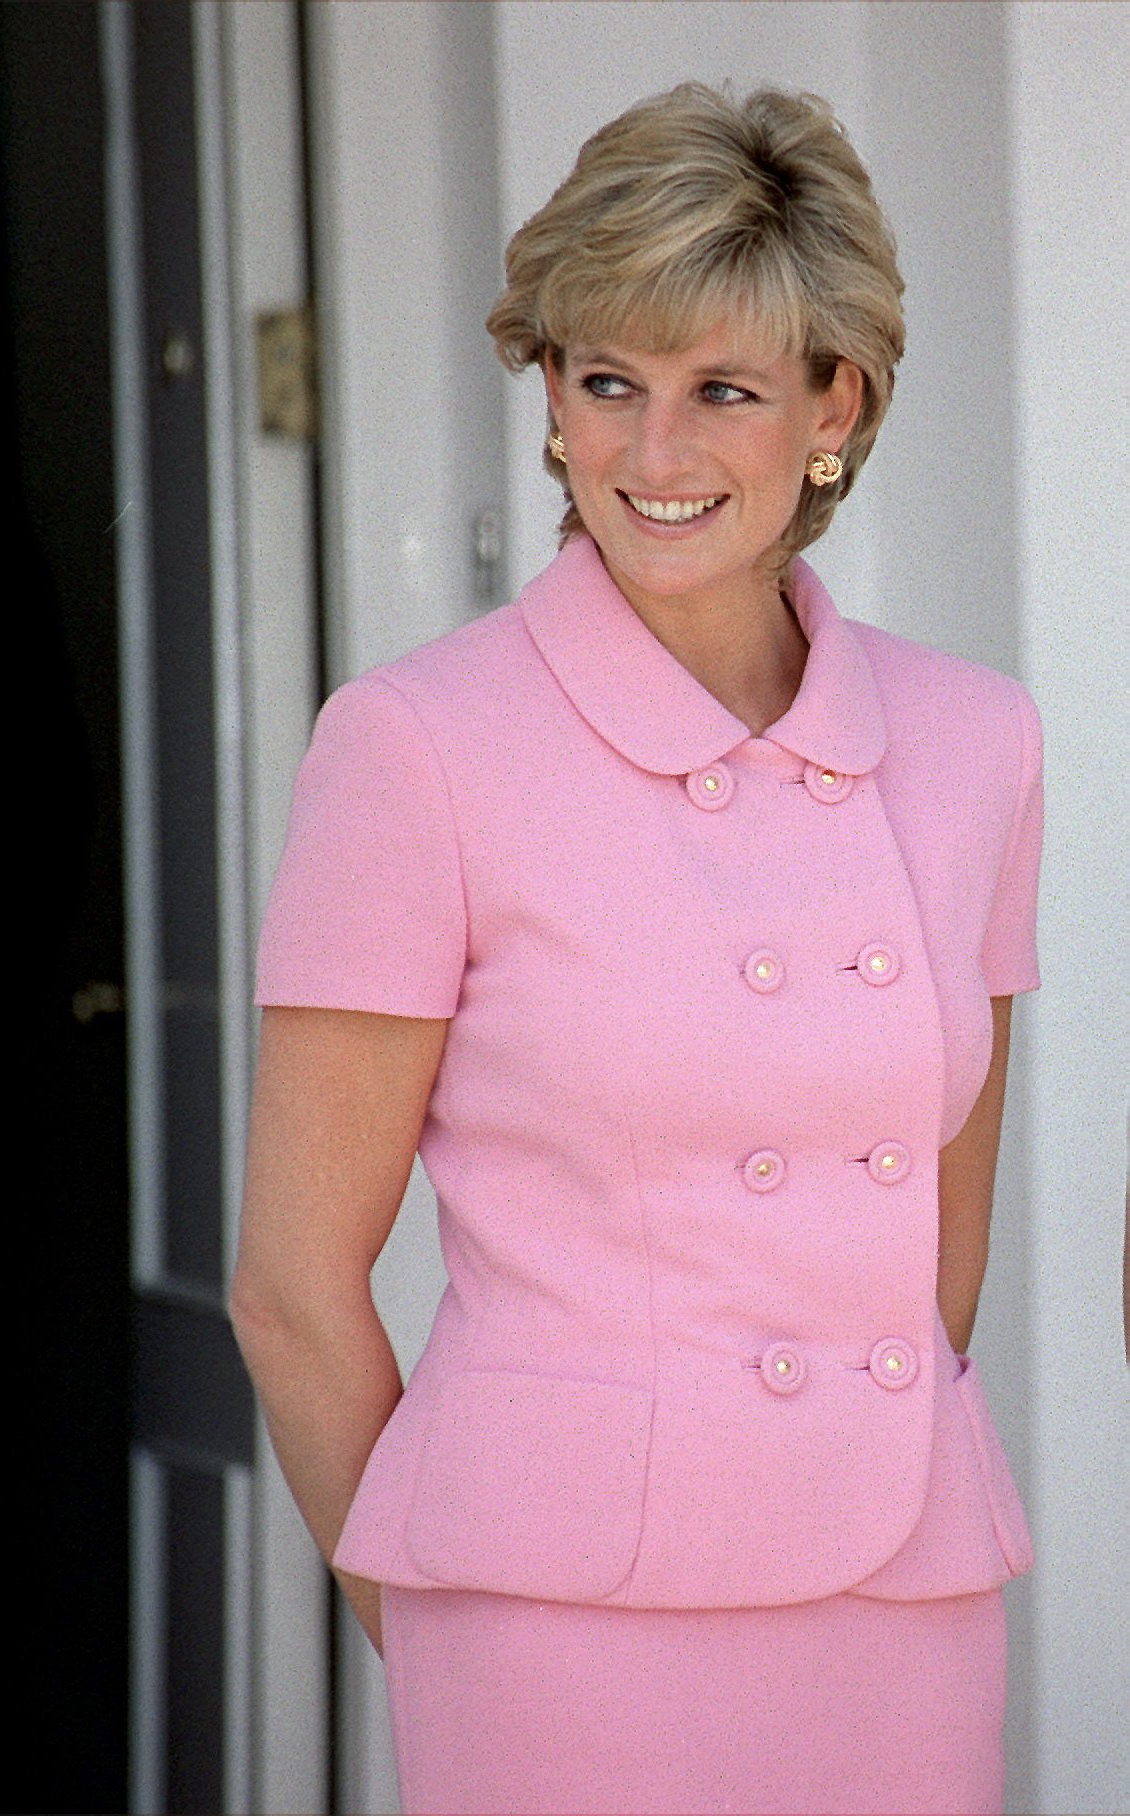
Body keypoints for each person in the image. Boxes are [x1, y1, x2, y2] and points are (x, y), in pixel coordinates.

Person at [232, 83, 1043, 1816]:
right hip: (552, 1628)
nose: (651, 457)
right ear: (550, 397)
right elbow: (293, 1290)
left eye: (720, 392)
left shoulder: (976, 742)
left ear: (835, 403)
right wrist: (444, 1619)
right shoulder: (416, 748)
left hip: (897, 1593)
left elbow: (933, 1243)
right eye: (606, 382)